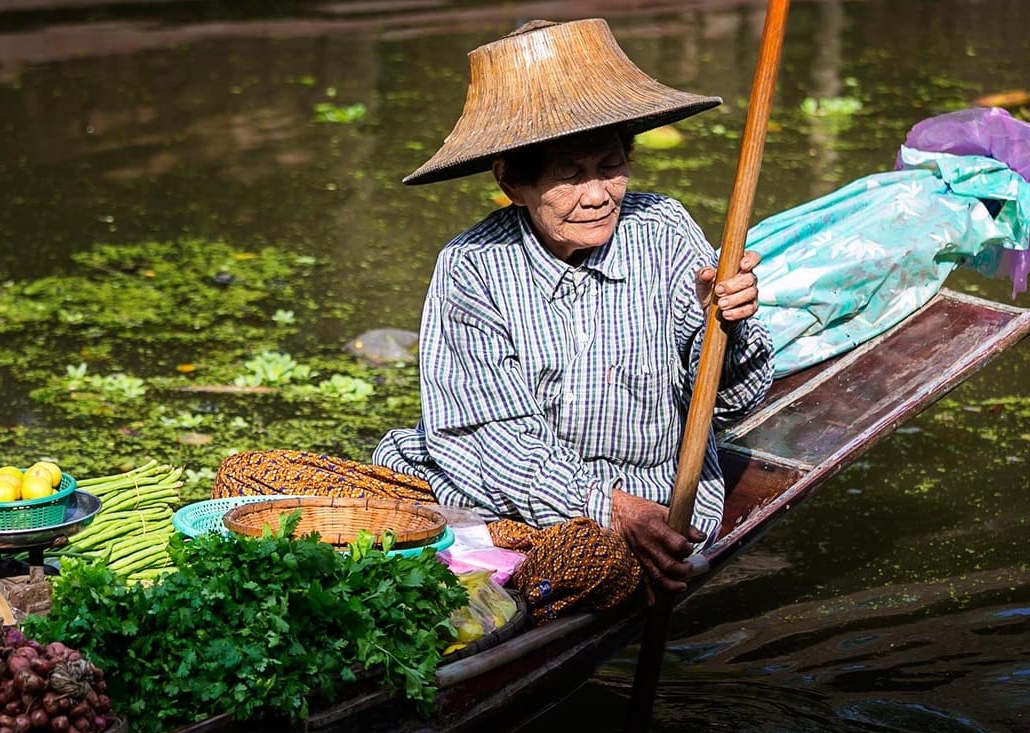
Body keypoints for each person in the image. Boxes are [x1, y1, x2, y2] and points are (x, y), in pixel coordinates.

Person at [214, 17, 773, 619]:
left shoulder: (661, 228)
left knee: (589, 560)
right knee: (254, 477)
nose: (597, 195)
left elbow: (730, 404)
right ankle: (491, 557)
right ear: (512, 182)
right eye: (569, 174)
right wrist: (604, 504)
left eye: (611, 166)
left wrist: (728, 323)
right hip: (496, 496)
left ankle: (498, 575)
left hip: (647, 505)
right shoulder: (472, 267)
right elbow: (486, 439)